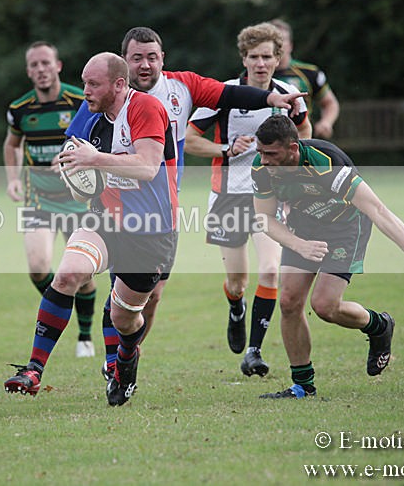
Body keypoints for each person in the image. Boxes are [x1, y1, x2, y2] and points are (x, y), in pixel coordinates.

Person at [66, 26, 307, 379]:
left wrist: (271, 100)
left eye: (152, 57)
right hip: (117, 208)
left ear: (163, 58)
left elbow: (228, 94)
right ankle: (114, 363)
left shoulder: (183, 87)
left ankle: (127, 353)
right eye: (137, 58)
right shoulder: (106, 96)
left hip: (163, 210)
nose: (145, 64)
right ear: (124, 63)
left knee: (152, 295)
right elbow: (72, 142)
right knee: (119, 290)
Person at [5, 52, 178, 406]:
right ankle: (34, 369)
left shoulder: (145, 107)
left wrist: (93, 160)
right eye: (83, 82)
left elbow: (147, 167)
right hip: (104, 217)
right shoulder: (90, 112)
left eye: (92, 84)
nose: (84, 91)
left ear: (118, 84)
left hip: (150, 230)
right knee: (68, 275)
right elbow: (75, 158)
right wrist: (75, 175)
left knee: (124, 318)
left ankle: (125, 359)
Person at [251, 114, 404, 398]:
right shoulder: (262, 168)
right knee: (289, 301)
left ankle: (379, 325)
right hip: (304, 229)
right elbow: (264, 218)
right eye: (260, 152)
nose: (264, 160)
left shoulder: (326, 162)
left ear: (293, 148)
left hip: (345, 228)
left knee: (324, 306)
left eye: (271, 153)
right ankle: (302, 386)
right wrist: (298, 244)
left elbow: (377, 209)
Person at [186, 22, 311, 377]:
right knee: (237, 280)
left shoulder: (288, 94)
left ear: (277, 59)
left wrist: (293, 162)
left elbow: (304, 130)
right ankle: (236, 305)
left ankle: (254, 351)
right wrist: (225, 149)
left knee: (270, 269)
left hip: (270, 195)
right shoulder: (223, 93)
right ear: (244, 58)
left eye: (267, 57)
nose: (260, 63)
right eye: (253, 57)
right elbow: (188, 138)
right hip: (228, 195)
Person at [4, 41, 97, 358]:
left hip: (78, 199)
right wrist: (13, 179)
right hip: (38, 199)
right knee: (37, 266)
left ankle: (85, 335)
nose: (41, 70)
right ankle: (60, 308)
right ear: (28, 71)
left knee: (83, 275)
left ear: (57, 65)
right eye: (34, 65)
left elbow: (93, 138)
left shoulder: (80, 100)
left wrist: (72, 157)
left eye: (46, 63)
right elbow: (12, 145)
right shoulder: (20, 108)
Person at [269, 19, 339, 139]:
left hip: (301, 139)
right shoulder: (252, 74)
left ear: (290, 45)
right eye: (273, 40)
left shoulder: (309, 73)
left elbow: (330, 103)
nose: (277, 44)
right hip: (266, 143)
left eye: (282, 40)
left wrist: (326, 123)